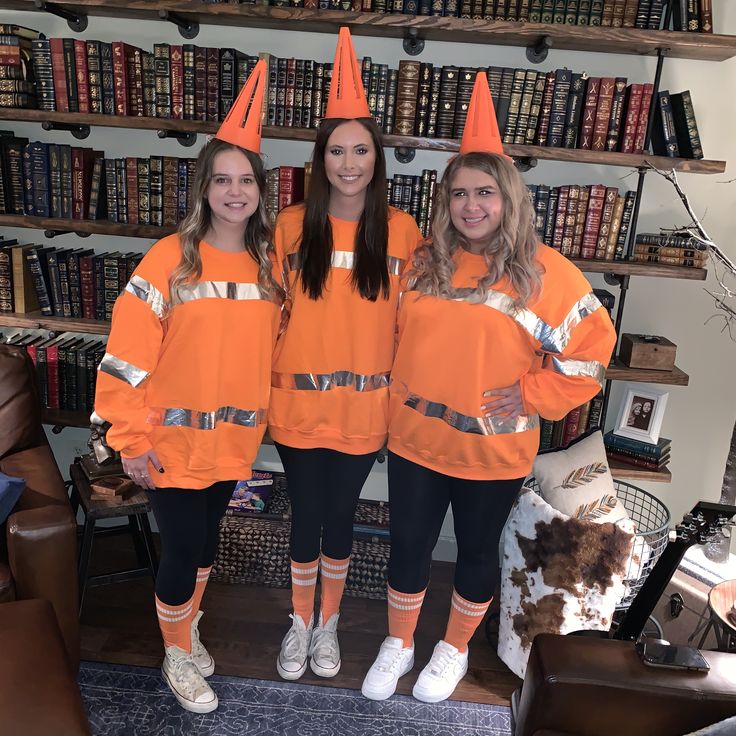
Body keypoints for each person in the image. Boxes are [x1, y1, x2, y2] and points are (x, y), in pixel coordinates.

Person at [361, 72, 617, 704]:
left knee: (475, 555)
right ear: (444, 202)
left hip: (492, 452)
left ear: (508, 199)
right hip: (416, 440)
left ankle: (450, 651)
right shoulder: (425, 262)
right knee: (409, 548)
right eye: (458, 195)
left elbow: (592, 352)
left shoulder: (545, 272)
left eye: (485, 193)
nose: (470, 207)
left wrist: (532, 394)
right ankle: (398, 642)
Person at [93, 61, 283, 713]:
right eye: (222, 179)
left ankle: (186, 627)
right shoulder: (167, 259)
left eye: (246, 181)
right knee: (179, 551)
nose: (235, 192)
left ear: (261, 190)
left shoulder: (269, 264)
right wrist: (129, 441)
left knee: (206, 544)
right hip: (167, 444)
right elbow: (124, 359)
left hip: (232, 444)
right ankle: (176, 654)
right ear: (204, 188)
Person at [269, 27, 422, 682]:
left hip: (364, 415)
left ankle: (329, 621)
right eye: (338, 150)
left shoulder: (403, 231)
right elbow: (267, 317)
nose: (350, 162)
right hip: (296, 409)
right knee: (306, 516)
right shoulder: (288, 226)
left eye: (362, 150)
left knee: (340, 520)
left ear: (376, 159)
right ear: (320, 157)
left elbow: (415, 327)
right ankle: (300, 622)